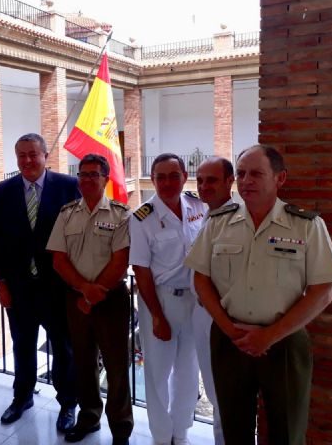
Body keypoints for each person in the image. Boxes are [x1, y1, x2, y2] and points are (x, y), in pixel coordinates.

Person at [185, 145, 332, 445]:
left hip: (283, 343)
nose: (246, 181)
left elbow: (322, 293)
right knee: (234, 427)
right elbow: (200, 279)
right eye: (241, 174)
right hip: (230, 340)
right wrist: (230, 330)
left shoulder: (306, 225)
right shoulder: (218, 222)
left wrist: (269, 336)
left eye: (256, 173)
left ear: (280, 179)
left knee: (288, 430)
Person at [0, 133, 79, 432]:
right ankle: (22, 397)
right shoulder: (3, 190)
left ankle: (68, 404)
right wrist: (0, 281)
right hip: (19, 288)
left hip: (57, 288)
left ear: (45, 156)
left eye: (33, 154)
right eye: (21, 155)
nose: (27, 161)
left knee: (63, 349)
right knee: (22, 345)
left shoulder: (68, 186)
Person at [47, 154, 133, 445]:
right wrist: (84, 290)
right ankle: (89, 418)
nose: (86, 179)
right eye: (82, 174)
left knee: (117, 366)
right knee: (82, 363)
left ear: (106, 179)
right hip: (77, 300)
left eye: (93, 174)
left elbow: (121, 261)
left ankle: (121, 428)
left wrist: (94, 293)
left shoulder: (121, 214)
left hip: (111, 300)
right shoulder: (67, 213)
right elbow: (59, 260)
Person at [129, 152, 208, 445]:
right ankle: (162, 437)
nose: (167, 183)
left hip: (196, 302)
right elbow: (141, 270)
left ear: (184, 178)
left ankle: (181, 431)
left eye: (174, 176)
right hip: (161, 301)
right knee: (158, 373)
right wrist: (157, 316)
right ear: (153, 180)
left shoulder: (198, 207)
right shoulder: (142, 218)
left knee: (188, 371)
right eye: (160, 177)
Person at [193, 156, 235, 445]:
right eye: (200, 181)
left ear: (229, 182)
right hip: (202, 315)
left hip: (225, 317)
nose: (204, 186)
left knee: (227, 392)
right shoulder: (207, 215)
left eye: (212, 180)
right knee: (213, 386)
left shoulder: (238, 218)